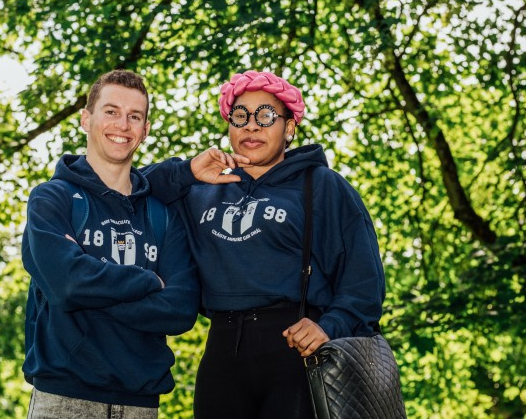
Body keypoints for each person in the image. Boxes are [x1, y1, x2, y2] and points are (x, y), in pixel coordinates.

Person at [144, 70, 387, 419]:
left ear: (289, 128)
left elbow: (364, 281)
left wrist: (328, 327)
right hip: (223, 349)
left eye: (266, 116)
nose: (251, 126)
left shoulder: (322, 185)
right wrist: (186, 171)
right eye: (240, 116)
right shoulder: (202, 188)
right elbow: (133, 190)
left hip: (296, 348)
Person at [21, 69, 241, 418]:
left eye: (134, 116)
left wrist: (87, 292)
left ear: (145, 130)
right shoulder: (52, 199)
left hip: (141, 403)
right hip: (63, 397)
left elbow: (181, 309)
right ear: (86, 119)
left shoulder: (161, 214)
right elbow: (67, 284)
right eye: (111, 111)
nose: (122, 125)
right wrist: (147, 282)